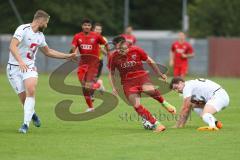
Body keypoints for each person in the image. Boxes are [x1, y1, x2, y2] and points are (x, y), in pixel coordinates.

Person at [7, 10, 76, 134]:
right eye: (46, 23)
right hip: (14, 68)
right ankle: (32, 114)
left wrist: (67, 56)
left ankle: (25, 125)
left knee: (31, 91)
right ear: (40, 20)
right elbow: (12, 46)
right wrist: (20, 61)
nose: (46, 25)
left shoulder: (40, 36)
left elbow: (48, 52)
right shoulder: (23, 29)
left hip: (29, 67)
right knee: (23, 99)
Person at [108, 36, 176, 133]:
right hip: (128, 83)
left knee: (151, 91)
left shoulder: (136, 50)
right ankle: (157, 124)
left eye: (122, 47)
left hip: (141, 77)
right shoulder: (113, 57)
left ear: (125, 44)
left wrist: (159, 74)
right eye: (118, 48)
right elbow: (111, 73)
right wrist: (114, 88)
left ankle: (164, 103)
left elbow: (150, 61)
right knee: (136, 105)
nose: (121, 50)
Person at [70, 19, 108, 112]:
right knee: (83, 86)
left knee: (87, 86)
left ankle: (98, 85)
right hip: (82, 64)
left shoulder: (96, 36)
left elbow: (105, 43)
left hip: (93, 64)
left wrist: (109, 53)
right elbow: (73, 47)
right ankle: (91, 107)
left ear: (91, 27)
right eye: (85, 25)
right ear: (82, 26)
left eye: (88, 25)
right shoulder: (77, 36)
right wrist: (72, 53)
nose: (86, 27)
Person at [93, 23, 108, 92]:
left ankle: (92, 95)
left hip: (99, 61)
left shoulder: (104, 39)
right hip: (89, 61)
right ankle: (100, 84)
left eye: (99, 29)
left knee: (93, 79)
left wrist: (101, 49)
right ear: (93, 30)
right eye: (97, 29)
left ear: (101, 31)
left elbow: (106, 53)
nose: (98, 31)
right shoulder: (89, 38)